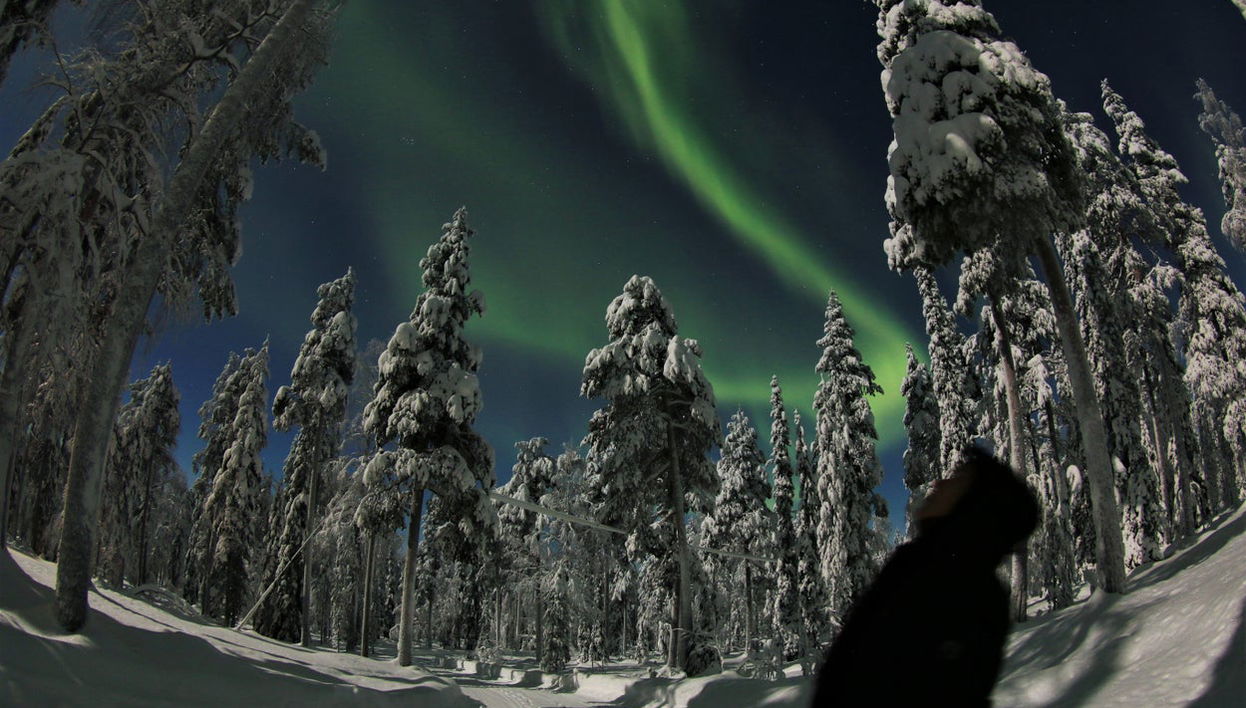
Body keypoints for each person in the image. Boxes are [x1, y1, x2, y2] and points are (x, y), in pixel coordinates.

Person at [812, 446, 1039, 707]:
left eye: (956, 481)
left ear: (973, 506)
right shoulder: (923, 565)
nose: (938, 482)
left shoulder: (961, 589)